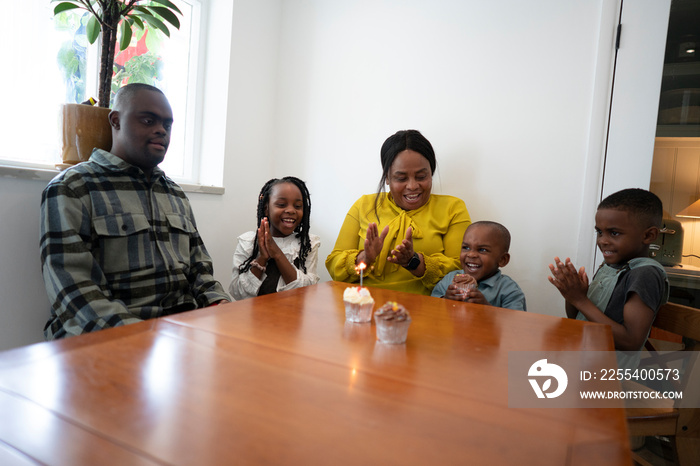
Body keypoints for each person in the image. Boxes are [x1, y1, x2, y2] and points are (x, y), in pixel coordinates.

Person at [40, 83, 229, 340]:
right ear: (116, 121)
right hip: (105, 341)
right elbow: (74, 291)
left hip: (177, 337)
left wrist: (222, 309)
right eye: (148, 120)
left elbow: (200, 269)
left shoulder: (174, 193)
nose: (161, 130)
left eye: (167, 124)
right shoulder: (73, 188)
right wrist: (142, 339)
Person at [325, 129, 471, 295]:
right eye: (401, 178)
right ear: (387, 177)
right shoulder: (363, 205)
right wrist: (365, 257)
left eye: (421, 176)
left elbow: (462, 271)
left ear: (431, 174)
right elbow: (334, 266)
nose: (412, 186)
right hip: (365, 307)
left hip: (429, 312)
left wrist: (414, 262)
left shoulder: (453, 208)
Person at [548, 188, 669, 369]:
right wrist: (572, 295)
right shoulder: (611, 267)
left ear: (648, 235)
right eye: (599, 232)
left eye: (614, 233)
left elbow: (630, 342)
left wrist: (580, 300)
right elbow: (577, 318)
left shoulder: (645, 275)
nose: (602, 240)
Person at [229, 177, 320, 299]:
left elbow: (307, 292)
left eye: (298, 206)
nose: (291, 210)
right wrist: (262, 258)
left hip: (293, 315)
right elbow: (238, 293)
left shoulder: (307, 244)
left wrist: (277, 254)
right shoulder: (248, 242)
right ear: (266, 208)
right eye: (282, 204)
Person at [431, 221, 526, 311]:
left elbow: (516, 323)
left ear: (502, 260)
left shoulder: (508, 289)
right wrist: (445, 300)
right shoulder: (449, 280)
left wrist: (486, 308)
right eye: (466, 248)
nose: (471, 254)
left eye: (482, 250)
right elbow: (430, 309)